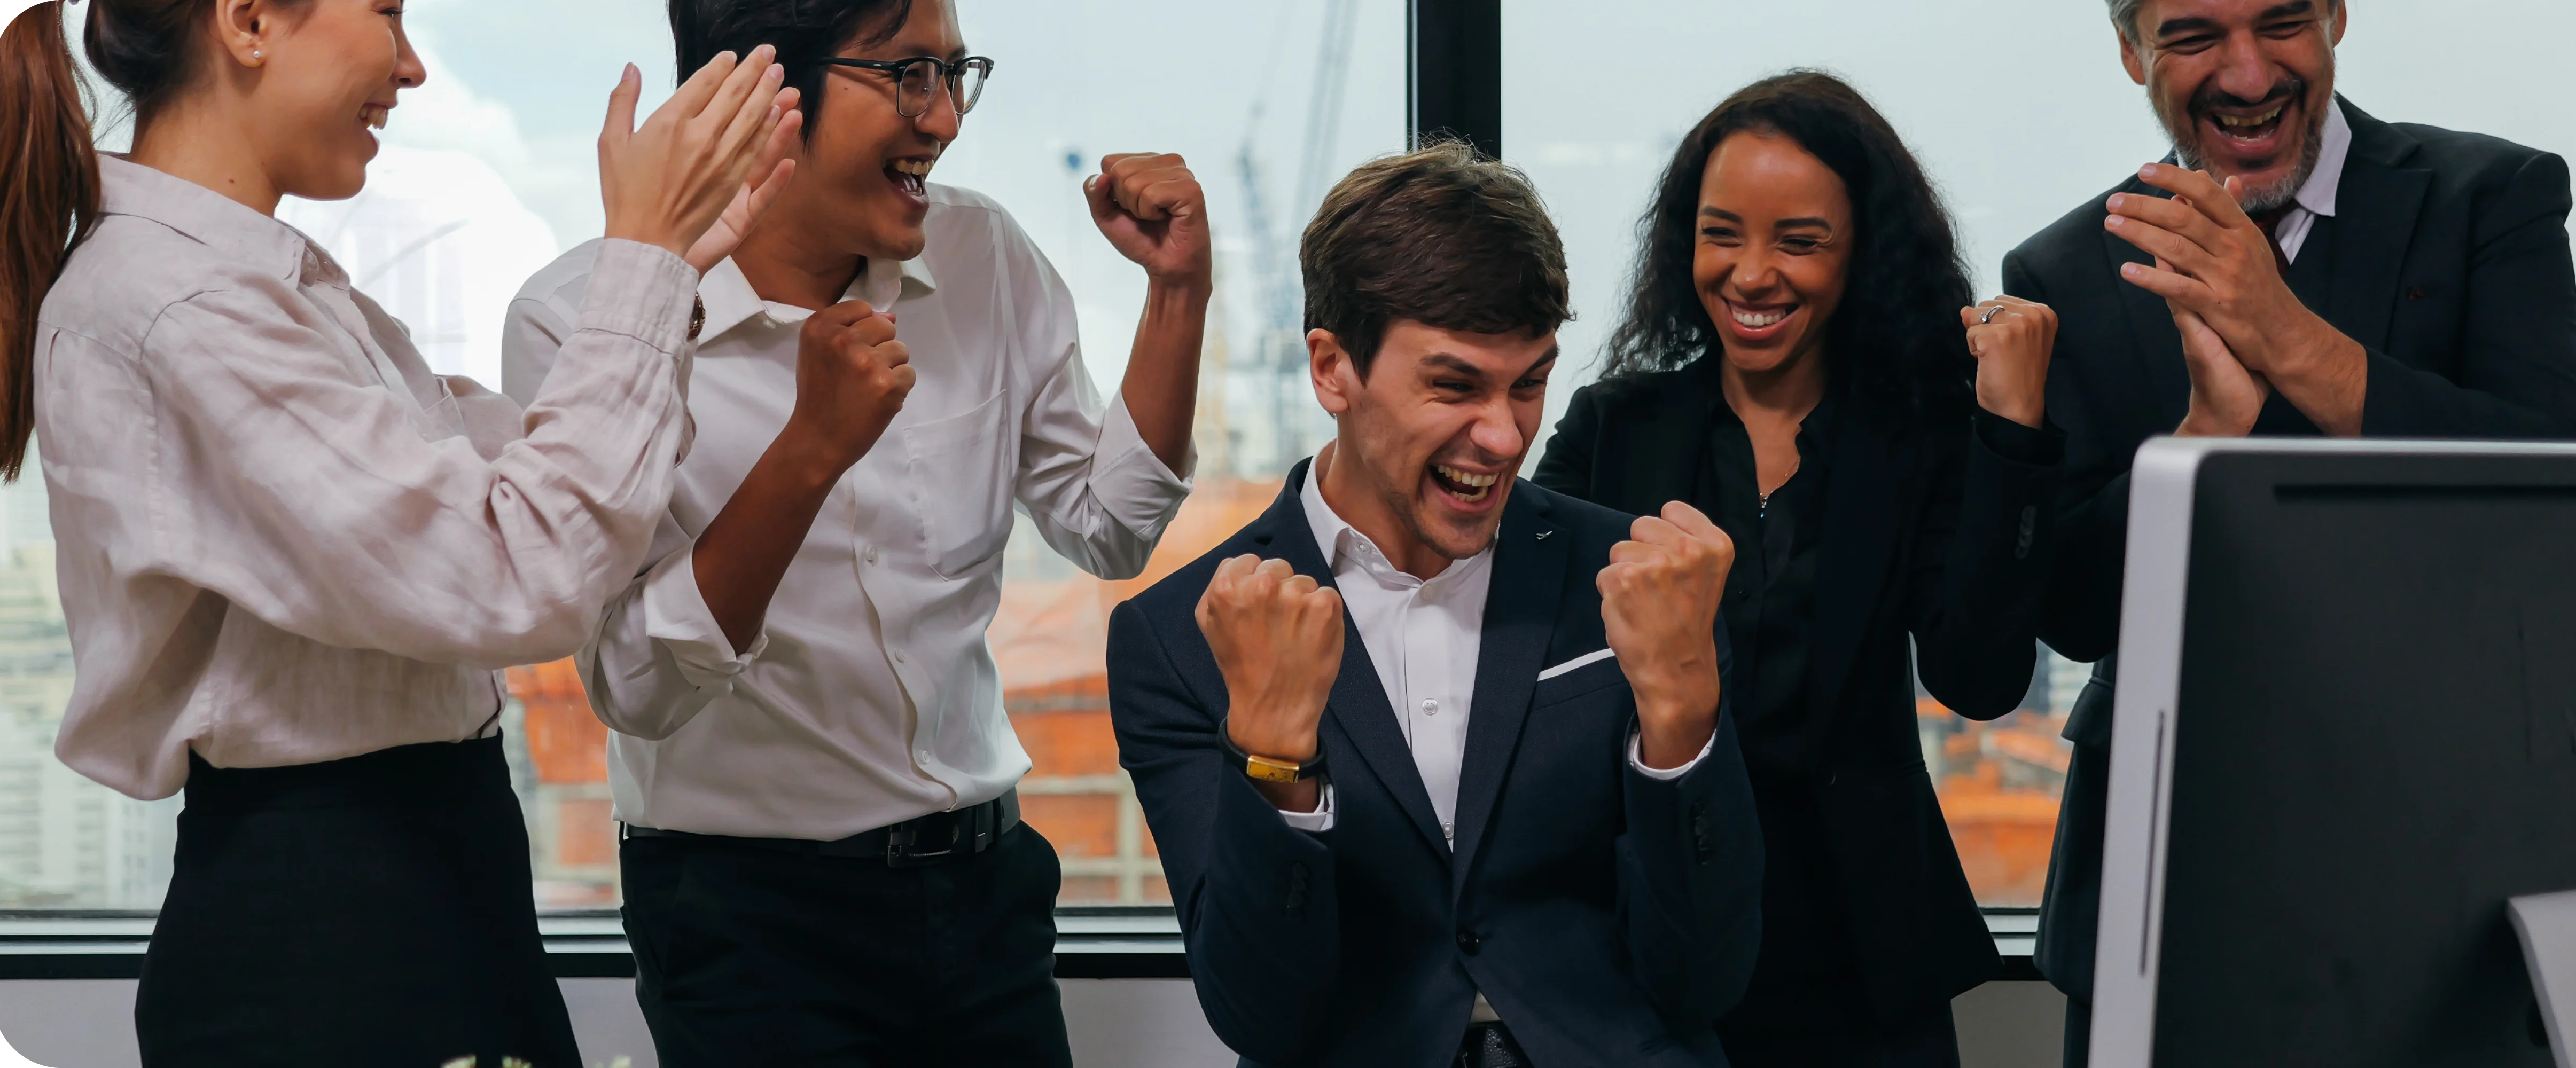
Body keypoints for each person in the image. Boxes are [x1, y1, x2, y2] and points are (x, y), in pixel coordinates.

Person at [0, 0, 795, 1062]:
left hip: (415, 887)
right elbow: (523, 567)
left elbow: (528, 488)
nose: (412, 66)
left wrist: (668, 272)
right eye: (386, 12)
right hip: (335, 931)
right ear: (246, 20)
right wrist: (641, 266)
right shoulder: (178, 305)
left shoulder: (261, 289)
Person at [499, 0, 1208, 1061]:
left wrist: (1177, 292)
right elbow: (636, 687)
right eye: (908, 73)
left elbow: (1106, 526)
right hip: (746, 922)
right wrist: (808, 452)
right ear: (759, 93)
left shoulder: (983, 257)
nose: (946, 118)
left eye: (955, 71)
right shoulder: (585, 323)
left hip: (988, 888)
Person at [2002, 2, 2576, 1063]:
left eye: (2280, 20)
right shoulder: (2061, 270)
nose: (2245, 74)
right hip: (2165, 874)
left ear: (2334, 14)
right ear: (2128, 51)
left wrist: (2288, 342)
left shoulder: (2491, 199)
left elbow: (2552, 499)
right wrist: (2199, 437)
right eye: (2191, 36)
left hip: (2449, 859)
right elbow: (2072, 608)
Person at [1109, 142, 1766, 1068]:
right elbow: (1262, 1016)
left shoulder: (1638, 583)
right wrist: (1274, 753)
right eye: (1455, 385)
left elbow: (1706, 980)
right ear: (1334, 369)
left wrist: (1684, 716)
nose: (1504, 435)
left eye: (1529, 382)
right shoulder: (1177, 638)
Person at [1533, 71, 2067, 1067]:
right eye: (1722, 233)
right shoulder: (1614, 427)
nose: (1751, 273)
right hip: (1649, 939)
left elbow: (1982, 680)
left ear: (1862, 252)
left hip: (1860, 962)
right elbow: (1527, 670)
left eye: (1800, 241)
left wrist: (2010, 433)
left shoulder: (1921, 441)